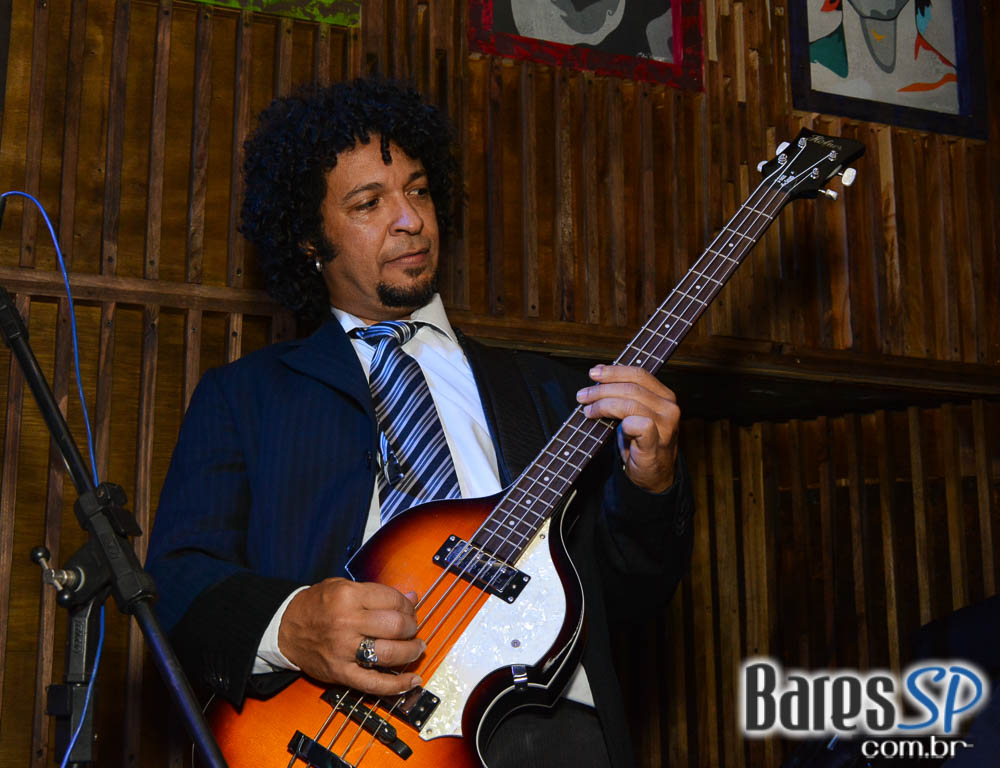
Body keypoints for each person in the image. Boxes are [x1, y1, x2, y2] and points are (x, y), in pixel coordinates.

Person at [146, 77, 694, 768]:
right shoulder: (244, 395)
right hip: (334, 739)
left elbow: (630, 599)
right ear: (309, 238)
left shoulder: (553, 392)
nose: (410, 219)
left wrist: (651, 485)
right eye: (369, 203)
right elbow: (176, 579)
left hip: (549, 732)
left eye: (420, 191)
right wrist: (290, 625)